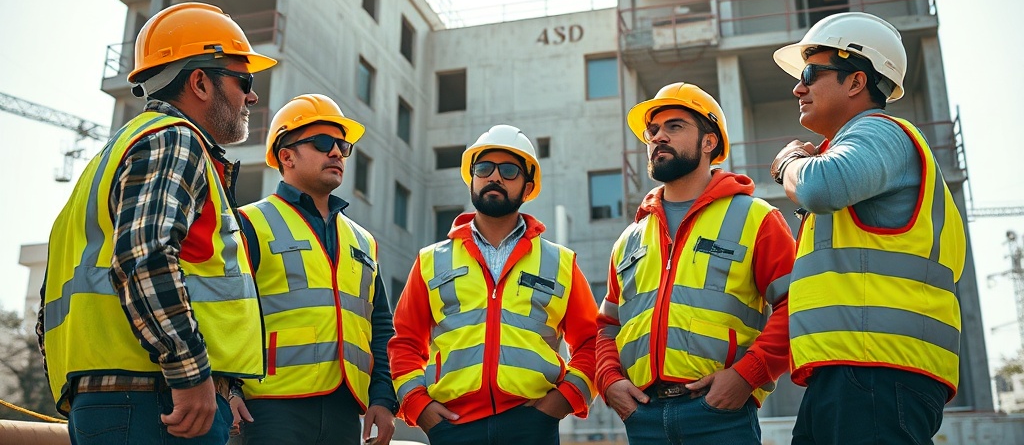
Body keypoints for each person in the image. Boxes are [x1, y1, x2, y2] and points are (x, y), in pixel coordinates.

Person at [38, 2, 276, 443]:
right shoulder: (174, 139)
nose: (252, 96)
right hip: (159, 401)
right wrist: (190, 373)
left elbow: (50, 300)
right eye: (244, 80)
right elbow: (144, 255)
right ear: (200, 82)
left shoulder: (107, 159)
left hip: (113, 397)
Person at [770, 12, 966, 444]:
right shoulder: (864, 148)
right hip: (856, 370)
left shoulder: (880, 132)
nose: (798, 87)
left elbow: (821, 186)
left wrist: (788, 162)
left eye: (810, 73)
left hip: (875, 371)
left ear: (856, 82)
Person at [596, 83, 796, 445]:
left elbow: (796, 304)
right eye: (653, 131)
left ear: (709, 142)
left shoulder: (756, 218)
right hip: (642, 418)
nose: (658, 137)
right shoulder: (630, 239)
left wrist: (747, 376)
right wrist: (609, 380)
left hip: (720, 414)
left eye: (674, 127)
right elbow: (607, 326)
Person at [388, 125, 598, 445]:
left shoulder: (561, 263)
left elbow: (592, 343)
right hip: (452, 427)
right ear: (472, 177)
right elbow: (404, 344)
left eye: (509, 170)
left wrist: (562, 401)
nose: (494, 177)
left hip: (534, 425)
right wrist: (419, 406)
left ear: (528, 187)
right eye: (484, 168)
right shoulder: (430, 261)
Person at [236, 94, 397, 445]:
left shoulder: (362, 241)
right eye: (323, 142)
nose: (337, 152)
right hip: (268, 410)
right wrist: (227, 387)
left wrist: (384, 397)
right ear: (286, 155)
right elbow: (224, 313)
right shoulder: (249, 223)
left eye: (342, 145)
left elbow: (381, 326)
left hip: (344, 410)